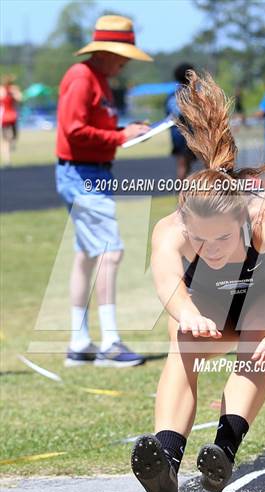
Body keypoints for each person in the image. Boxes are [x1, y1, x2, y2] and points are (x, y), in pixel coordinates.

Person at [131, 71, 265, 492]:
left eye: (222, 241)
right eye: (201, 241)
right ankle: (166, 464)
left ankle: (223, 452)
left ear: (240, 221)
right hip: (209, 304)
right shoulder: (170, 230)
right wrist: (185, 312)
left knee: (255, 335)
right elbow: (166, 281)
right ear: (185, 224)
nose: (211, 252)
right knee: (182, 344)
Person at [56, 15, 152, 367]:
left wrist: (127, 130)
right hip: (81, 175)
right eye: (122, 53)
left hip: (93, 173)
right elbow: (73, 130)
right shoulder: (82, 77)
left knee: (87, 255)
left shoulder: (100, 79)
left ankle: (79, 342)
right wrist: (119, 137)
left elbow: (95, 127)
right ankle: (110, 342)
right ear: (106, 51)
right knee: (110, 251)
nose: (125, 61)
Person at [165, 63, 197, 180]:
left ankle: (186, 194)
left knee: (187, 165)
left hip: (185, 135)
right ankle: (181, 195)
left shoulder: (175, 94)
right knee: (183, 166)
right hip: (182, 135)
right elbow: (179, 113)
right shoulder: (179, 94)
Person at [0, 75, 22, 167]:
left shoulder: (14, 90)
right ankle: (7, 161)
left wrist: (14, 92)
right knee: (6, 140)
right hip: (5, 118)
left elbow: (20, 99)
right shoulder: (1, 90)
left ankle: (10, 147)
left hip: (13, 117)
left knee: (14, 138)